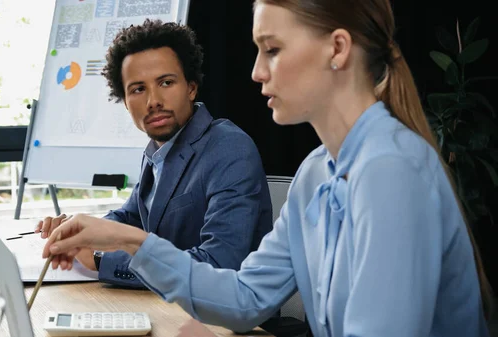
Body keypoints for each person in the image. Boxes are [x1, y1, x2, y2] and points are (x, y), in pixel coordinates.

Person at [42, 0, 494, 336]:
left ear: (337, 49)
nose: (257, 71)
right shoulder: (316, 172)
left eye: (271, 49)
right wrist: (129, 240)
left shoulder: (393, 171)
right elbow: (245, 298)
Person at [36, 19, 273, 289]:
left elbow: (219, 264)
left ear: (191, 87)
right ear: (125, 102)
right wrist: (79, 233)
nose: (153, 101)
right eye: (138, 89)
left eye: (166, 82)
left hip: (229, 324)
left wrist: (101, 258)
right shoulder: (158, 150)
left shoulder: (229, 149)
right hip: (172, 307)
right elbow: (130, 217)